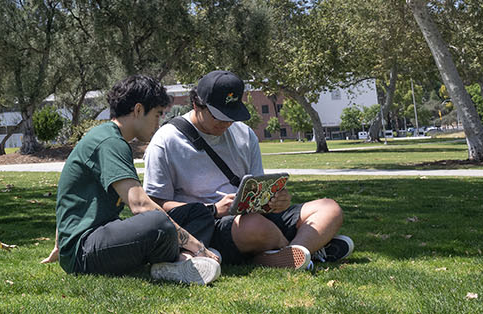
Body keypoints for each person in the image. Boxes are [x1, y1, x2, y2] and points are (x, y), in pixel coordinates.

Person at [143, 70, 353, 271]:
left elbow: (258, 185)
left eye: (231, 115)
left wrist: (277, 201)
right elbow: (154, 206)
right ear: (197, 105)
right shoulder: (166, 141)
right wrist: (212, 209)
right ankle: (307, 248)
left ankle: (288, 254)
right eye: (219, 116)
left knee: (329, 208)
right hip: (212, 224)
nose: (226, 123)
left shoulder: (245, 133)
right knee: (254, 226)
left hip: (255, 215)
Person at [39, 74, 221, 284]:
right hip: (84, 252)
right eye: (157, 114)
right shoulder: (109, 141)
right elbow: (140, 204)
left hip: (98, 240)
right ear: (138, 110)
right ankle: (184, 259)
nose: (158, 122)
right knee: (156, 222)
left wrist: (59, 244)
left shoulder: (108, 137)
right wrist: (198, 246)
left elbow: (70, 194)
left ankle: (178, 259)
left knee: (197, 213)